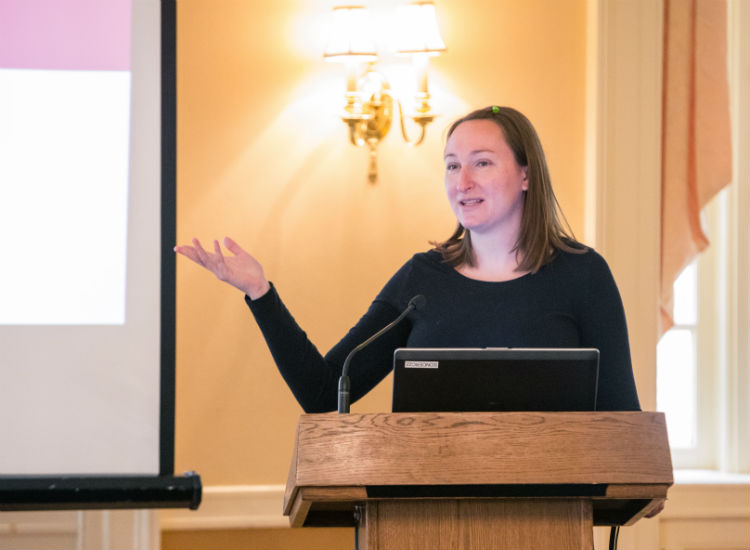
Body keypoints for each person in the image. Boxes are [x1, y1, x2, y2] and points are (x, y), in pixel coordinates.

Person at [175, 105, 641, 414]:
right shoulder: (423, 281)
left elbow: (622, 416)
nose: (463, 182)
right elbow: (323, 394)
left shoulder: (583, 275)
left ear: (524, 174)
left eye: (481, 162)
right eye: (453, 165)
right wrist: (261, 293)